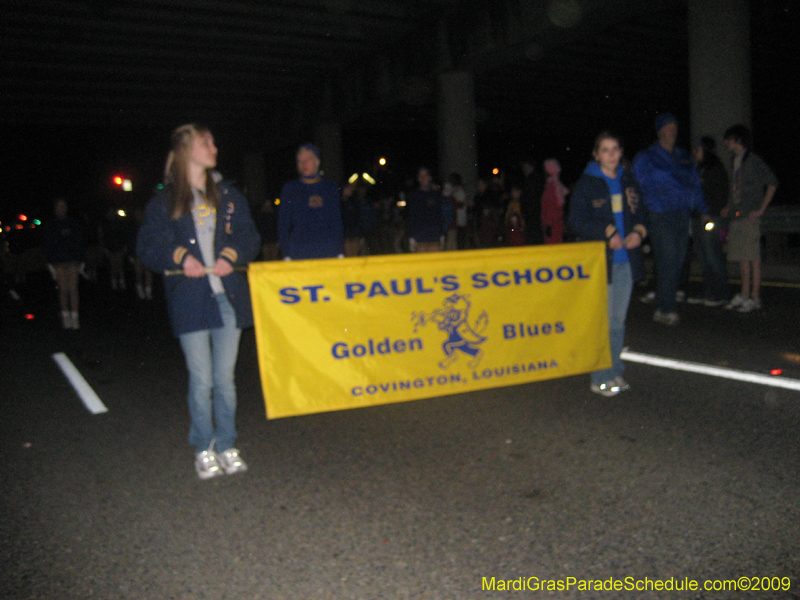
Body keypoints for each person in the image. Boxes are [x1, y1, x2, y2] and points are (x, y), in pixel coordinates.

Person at [136, 124, 260, 479]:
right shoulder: (165, 200)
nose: (214, 146)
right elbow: (148, 244)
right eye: (206, 142)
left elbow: (250, 234)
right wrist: (179, 256)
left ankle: (227, 444)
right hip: (191, 299)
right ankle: (204, 447)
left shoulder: (229, 195)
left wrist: (231, 253)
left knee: (225, 378)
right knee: (202, 378)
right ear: (187, 150)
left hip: (227, 297)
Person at [569, 131, 647, 397]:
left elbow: (641, 213)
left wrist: (638, 231)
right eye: (605, 150)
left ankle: (615, 371)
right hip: (601, 262)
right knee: (604, 322)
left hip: (626, 262)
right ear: (596, 154)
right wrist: (607, 231)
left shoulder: (628, 180)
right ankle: (599, 376)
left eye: (615, 149)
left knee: (618, 322)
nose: (611, 154)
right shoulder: (587, 183)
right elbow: (577, 221)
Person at [632, 113, 707, 326]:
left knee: (677, 261)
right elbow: (635, 184)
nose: (673, 130)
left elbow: (694, 184)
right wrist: (639, 212)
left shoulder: (683, 156)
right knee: (668, 258)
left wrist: (703, 210)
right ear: (660, 131)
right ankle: (665, 308)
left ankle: (665, 298)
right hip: (659, 214)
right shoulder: (647, 156)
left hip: (681, 216)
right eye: (668, 127)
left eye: (675, 126)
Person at [721, 124, 779, 313]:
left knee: (753, 257)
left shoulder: (753, 160)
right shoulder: (734, 160)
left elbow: (772, 182)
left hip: (750, 216)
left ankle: (755, 297)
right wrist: (730, 206)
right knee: (741, 257)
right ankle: (744, 294)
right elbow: (735, 188)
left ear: (737, 140)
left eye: (729, 139)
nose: (726, 143)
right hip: (738, 215)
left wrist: (761, 209)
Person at [278, 144, 344, 260]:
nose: (303, 164)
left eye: (308, 159)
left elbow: (336, 221)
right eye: (299, 161)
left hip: (327, 250)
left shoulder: (330, 188)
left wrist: (339, 251)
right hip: (298, 251)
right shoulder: (290, 189)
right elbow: (283, 223)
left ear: (317, 161)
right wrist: (286, 253)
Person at [686, 136, 730, 306]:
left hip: (711, 218)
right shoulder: (697, 169)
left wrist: (710, 213)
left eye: (697, 149)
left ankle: (722, 293)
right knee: (703, 257)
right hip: (697, 218)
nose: (695, 153)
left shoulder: (716, 169)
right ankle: (709, 292)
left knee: (713, 255)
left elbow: (720, 195)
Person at [42, 198, 84, 329]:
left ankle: (75, 317)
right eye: (59, 206)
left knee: (73, 289)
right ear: (55, 209)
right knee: (63, 289)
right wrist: (50, 263)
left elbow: (79, 241)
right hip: (58, 261)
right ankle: (66, 316)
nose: (61, 209)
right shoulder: (51, 224)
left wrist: (81, 260)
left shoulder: (73, 223)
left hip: (72, 260)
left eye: (63, 206)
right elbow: (48, 244)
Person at [406, 167, 447, 252]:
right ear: (418, 179)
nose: (423, 178)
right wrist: (411, 237)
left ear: (430, 177)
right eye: (421, 175)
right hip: (420, 237)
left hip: (435, 237)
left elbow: (440, 215)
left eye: (425, 175)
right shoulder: (414, 196)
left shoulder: (436, 195)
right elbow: (411, 217)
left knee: (436, 263)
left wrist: (442, 234)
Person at [540, 158, 568, 244]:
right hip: (557, 222)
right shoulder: (557, 185)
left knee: (552, 245)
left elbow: (548, 206)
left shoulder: (551, 186)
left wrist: (547, 222)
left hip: (552, 223)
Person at [520, 158, 544, 245]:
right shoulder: (529, 179)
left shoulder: (534, 180)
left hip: (534, 212)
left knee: (534, 236)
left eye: (526, 167)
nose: (524, 170)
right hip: (531, 213)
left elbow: (531, 197)